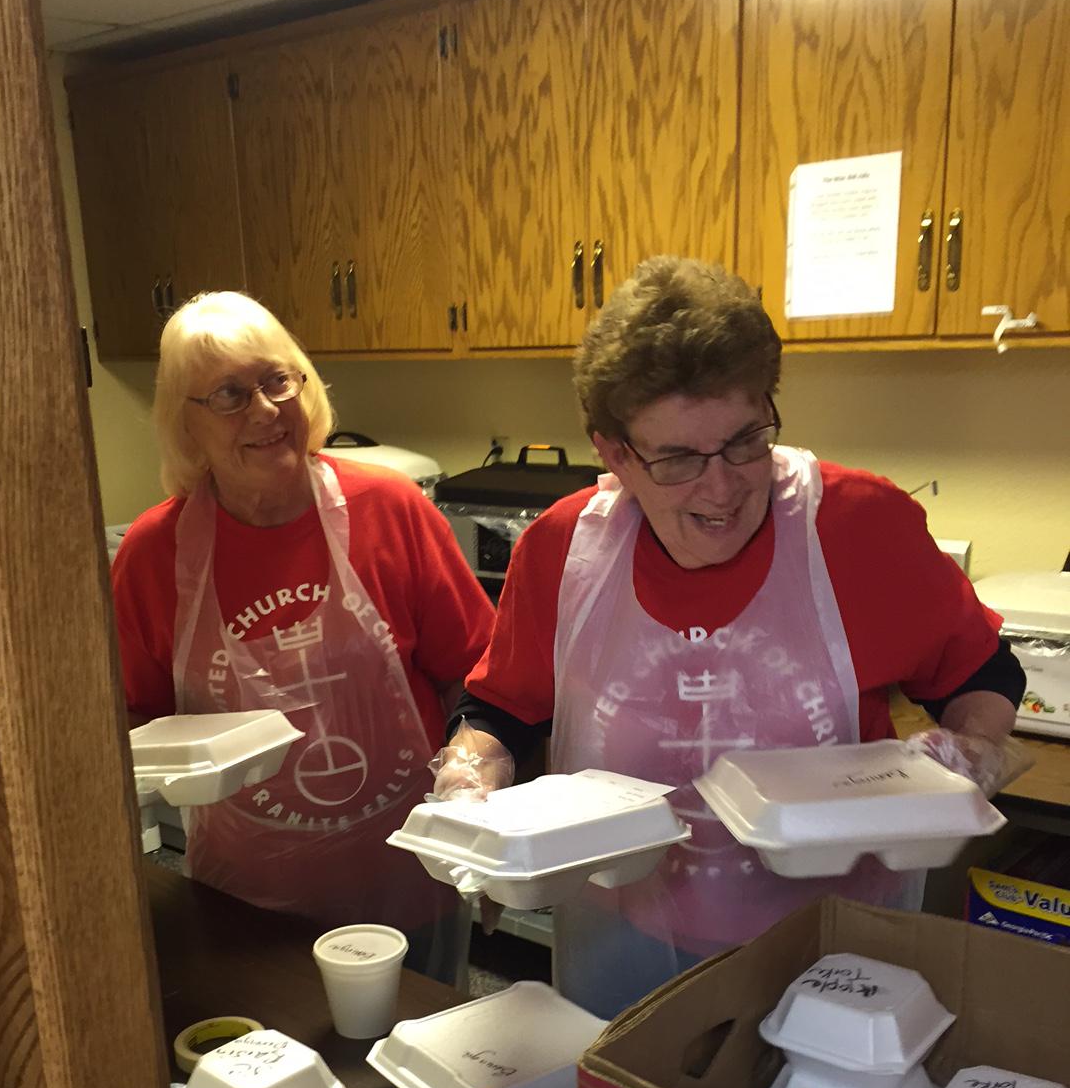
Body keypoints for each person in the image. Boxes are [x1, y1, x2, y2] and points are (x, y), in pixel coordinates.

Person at [434, 257, 1024, 1017]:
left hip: (833, 941)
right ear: (615, 453)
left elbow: (982, 674)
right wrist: (471, 790)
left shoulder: (859, 526)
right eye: (678, 458)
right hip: (623, 932)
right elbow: (501, 712)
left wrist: (971, 752)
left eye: (746, 441)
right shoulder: (564, 550)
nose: (721, 488)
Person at [112, 290, 494, 981]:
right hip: (245, 905)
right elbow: (132, 721)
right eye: (229, 394)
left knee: (420, 1045)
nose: (264, 410)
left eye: (276, 381)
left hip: (409, 882)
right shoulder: (152, 554)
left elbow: (477, 682)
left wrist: (483, 812)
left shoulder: (390, 509)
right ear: (185, 423)